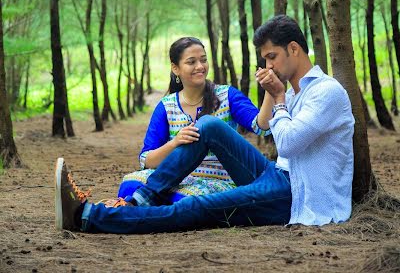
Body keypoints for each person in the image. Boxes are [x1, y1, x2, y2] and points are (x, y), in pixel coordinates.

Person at [55, 15, 355, 233]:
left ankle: (88, 217)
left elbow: (284, 141)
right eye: (265, 60)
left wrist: (276, 98)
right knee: (209, 124)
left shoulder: (325, 92)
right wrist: (279, 96)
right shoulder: (294, 91)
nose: (268, 67)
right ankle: (140, 199)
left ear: (294, 49)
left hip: (295, 192)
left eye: (272, 57)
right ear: (176, 69)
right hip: (276, 173)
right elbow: (147, 156)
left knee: (195, 208)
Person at [117, 36, 272, 203]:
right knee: (130, 183)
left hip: (218, 182)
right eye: (191, 62)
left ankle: (149, 204)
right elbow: (147, 161)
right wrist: (175, 142)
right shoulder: (166, 106)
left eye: (203, 60)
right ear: (175, 68)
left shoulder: (227, 95)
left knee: (186, 200)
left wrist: (271, 91)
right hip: (174, 179)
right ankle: (157, 204)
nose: (200, 67)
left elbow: (261, 127)